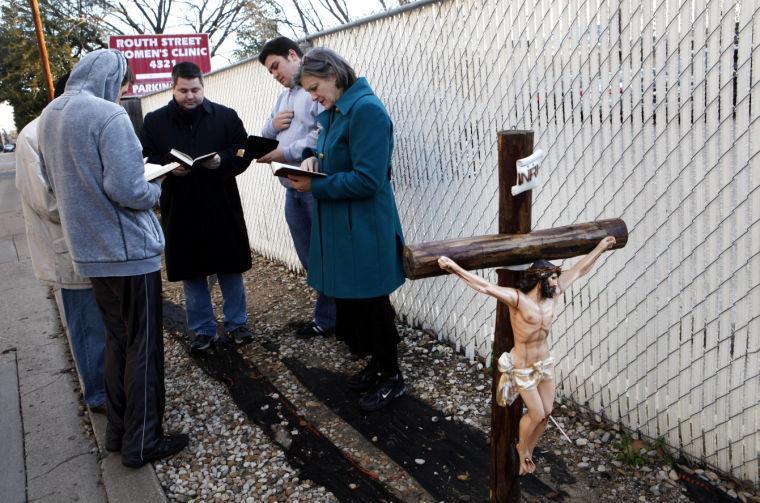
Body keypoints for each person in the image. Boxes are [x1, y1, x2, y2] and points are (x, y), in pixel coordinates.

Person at [37, 49, 187, 468]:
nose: (125, 95)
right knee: (143, 346)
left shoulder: (51, 115)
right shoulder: (109, 116)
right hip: (126, 253)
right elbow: (129, 189)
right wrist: (155, 188)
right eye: (125, 86)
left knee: (118, 342)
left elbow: (53, 181)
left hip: (87, 251)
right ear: (114, 80)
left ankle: (120, 434)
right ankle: (144, 442)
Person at [288, 48, 407, 412]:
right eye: (308, 90)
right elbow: (331, 155)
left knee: (373, 304)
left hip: (365, 227)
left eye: (314, 87)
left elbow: (370, 180)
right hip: (345, 226)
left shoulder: (366, 111)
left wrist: (316, 186)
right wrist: (312, 160)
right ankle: (377, 364)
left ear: (334, 75)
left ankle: (392, 376)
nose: (313, 96)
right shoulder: (337, 110)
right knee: (357, 305)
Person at [438, 236, 617, 475]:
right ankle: (521, 448)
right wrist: (453, 268)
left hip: (544, 364)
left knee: (546, 414)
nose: (557, 281)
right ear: (540, 279)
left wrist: (601, 248)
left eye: (556, 277)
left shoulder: (554, 293)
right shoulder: (518, 300)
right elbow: (484, 287)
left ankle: (529, 450)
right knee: (537, 413)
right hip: (523, 366)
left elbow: (580, 269)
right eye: (552, 277)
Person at [140, 62, 254, 352]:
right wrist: (166, 169)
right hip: (180, 206)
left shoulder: (225, 117)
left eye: (195, 90)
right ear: (172, 87)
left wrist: (222, 161)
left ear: (203, 86)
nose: (190, 96)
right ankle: (203, 330)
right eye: (183, 91)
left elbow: (243, 151)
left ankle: (237, 323)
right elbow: (144, 159)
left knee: (230, 267)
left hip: (221, 201)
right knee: (192, 271)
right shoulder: (154, 121)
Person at [15, 72, 107, 413]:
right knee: (86, 325)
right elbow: (47, 201)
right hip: (66, 247)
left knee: (100, 323)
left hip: (92, 243)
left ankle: (105, 385)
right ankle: (97, 393)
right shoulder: (32, 136)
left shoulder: (70, 128)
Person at [257, 36, 336, 339]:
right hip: (290, 186)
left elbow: (322, 135)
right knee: (308, 256)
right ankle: (331, 313)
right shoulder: (283, 98)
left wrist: (283, 153)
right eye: (270, 71)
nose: (275, 74)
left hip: (312, 185)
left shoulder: (313, 91)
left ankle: (329, 317)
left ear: (293, 55)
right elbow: (266, 131)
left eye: (276, 66)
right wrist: (273, 127)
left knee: (324, 252)